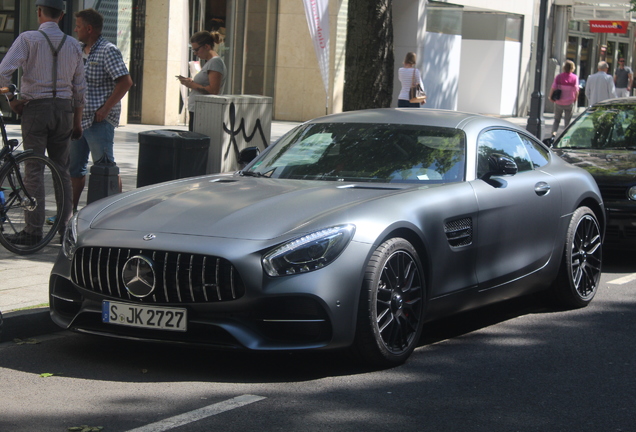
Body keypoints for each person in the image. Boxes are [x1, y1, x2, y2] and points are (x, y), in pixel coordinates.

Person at [0, 0, 86, 246]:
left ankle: (33, 230)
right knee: (62, 170)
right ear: (62, 16)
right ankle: (66, 230)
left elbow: (3, 72)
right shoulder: (74, 44)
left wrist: (12, 99)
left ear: (39, 12)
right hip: (64, 110)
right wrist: (77, 120)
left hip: (35, 109)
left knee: (33, 169)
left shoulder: (28, 39)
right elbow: (80, 88)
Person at [69, 8, 133, 213]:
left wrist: (105, 109)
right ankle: (69, 212)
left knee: (105, 167)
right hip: (79, 119)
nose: (75, 29)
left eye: (78, 26)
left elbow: (125, 82)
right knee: (74, 168)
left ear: (89, 29)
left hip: (98, 120)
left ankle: (112, 212)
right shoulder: (78, 49)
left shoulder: (108, 50)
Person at [178, 31, 226, 131]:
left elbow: (213, 91)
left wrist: (192, 84)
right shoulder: (211, 62)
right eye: (193, 50)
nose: (195, 53)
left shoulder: (215, 62)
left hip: (203, 111)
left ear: (206, 46)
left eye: (196, 50)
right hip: (199, 110)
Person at [548, 60, 579, 136]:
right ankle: (565, 135)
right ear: (573, 68)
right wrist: (575, 99)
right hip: (569, 102)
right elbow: (576, 90)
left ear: (564, 67)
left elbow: (553, 87)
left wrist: (550, 97)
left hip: (559, 102)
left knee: (556, 120)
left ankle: (554, 133)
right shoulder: (575, 78)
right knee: (567, 121)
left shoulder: (558, 77)